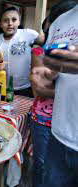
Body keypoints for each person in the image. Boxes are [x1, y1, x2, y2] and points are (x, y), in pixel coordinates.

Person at [29, 2, 77, 186]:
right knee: (41, 168)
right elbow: (45, 79)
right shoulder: (61, 22)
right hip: (59, 134)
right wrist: (44, 76)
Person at [0, 7, 44, 97]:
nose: (10, 23)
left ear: (19, 22)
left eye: (14, 20)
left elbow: (45, 42)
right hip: (2, 88)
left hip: (24, 89)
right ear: (0, 24)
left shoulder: (28, 34)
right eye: (5, 20)